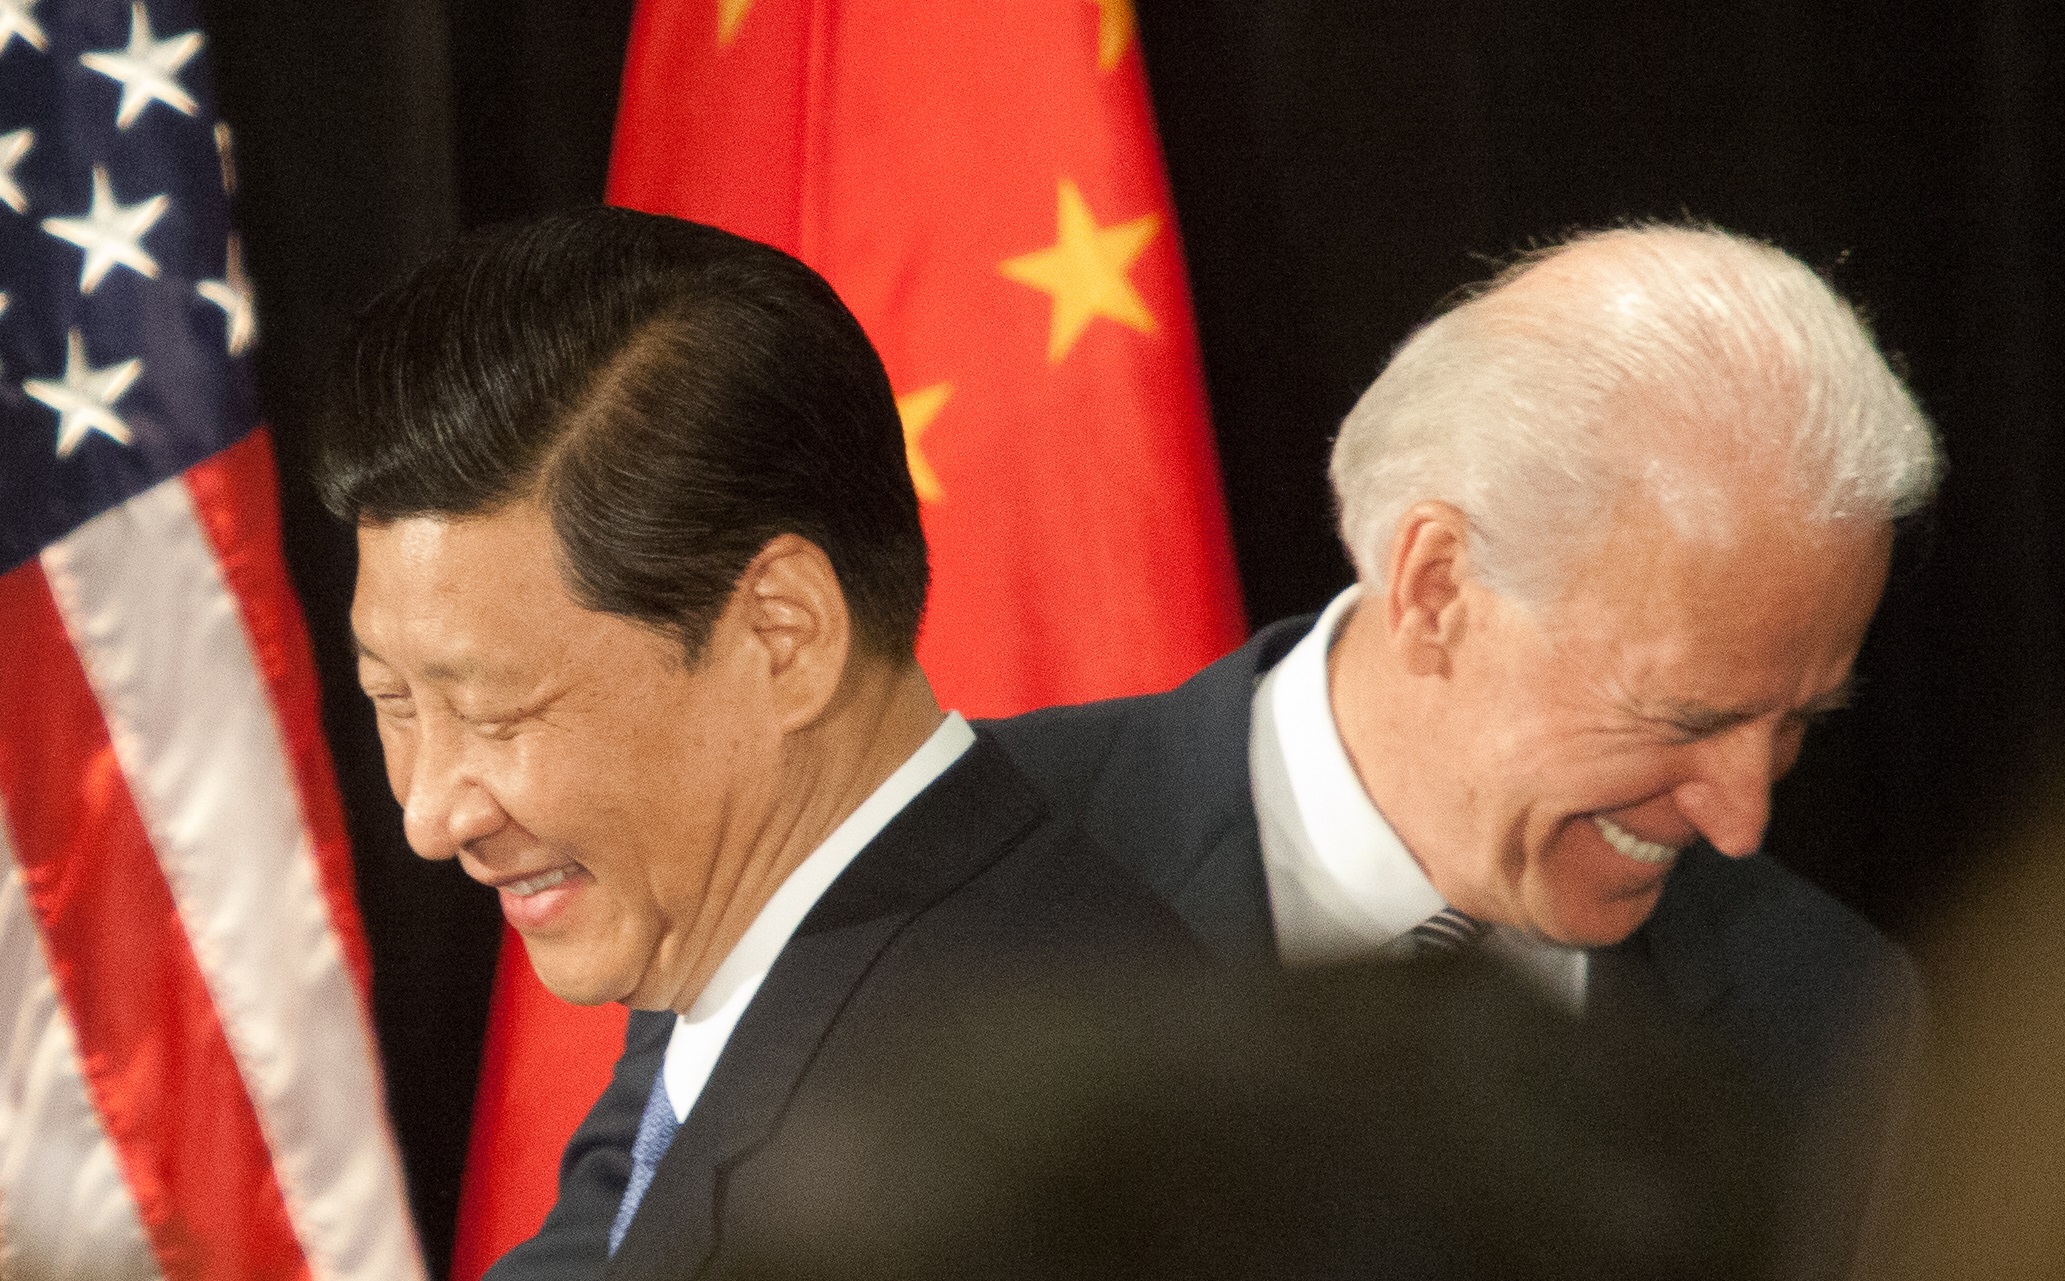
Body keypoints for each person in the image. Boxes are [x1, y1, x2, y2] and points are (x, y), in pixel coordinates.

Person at [989, 223, 1943, 1279]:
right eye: (1684, 720)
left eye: (1797, 722)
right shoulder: (951, 866)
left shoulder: (1827, 1008)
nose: (1740, 819)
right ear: (1437, 587)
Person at [312, 206, 1199, 1281]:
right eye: (394, 700)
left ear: (783, 637)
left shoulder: (976, 1169)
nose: (429, 815)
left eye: (498, 714)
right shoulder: (756, 948)